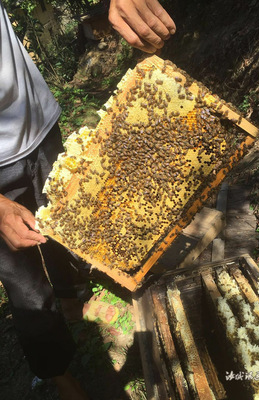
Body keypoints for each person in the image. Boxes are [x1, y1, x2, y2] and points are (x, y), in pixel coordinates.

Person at [0, 0, 176, 399]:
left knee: (74, 228)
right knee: (24, 285)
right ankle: (61, 376)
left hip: (40, 124)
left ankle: (71, 300)